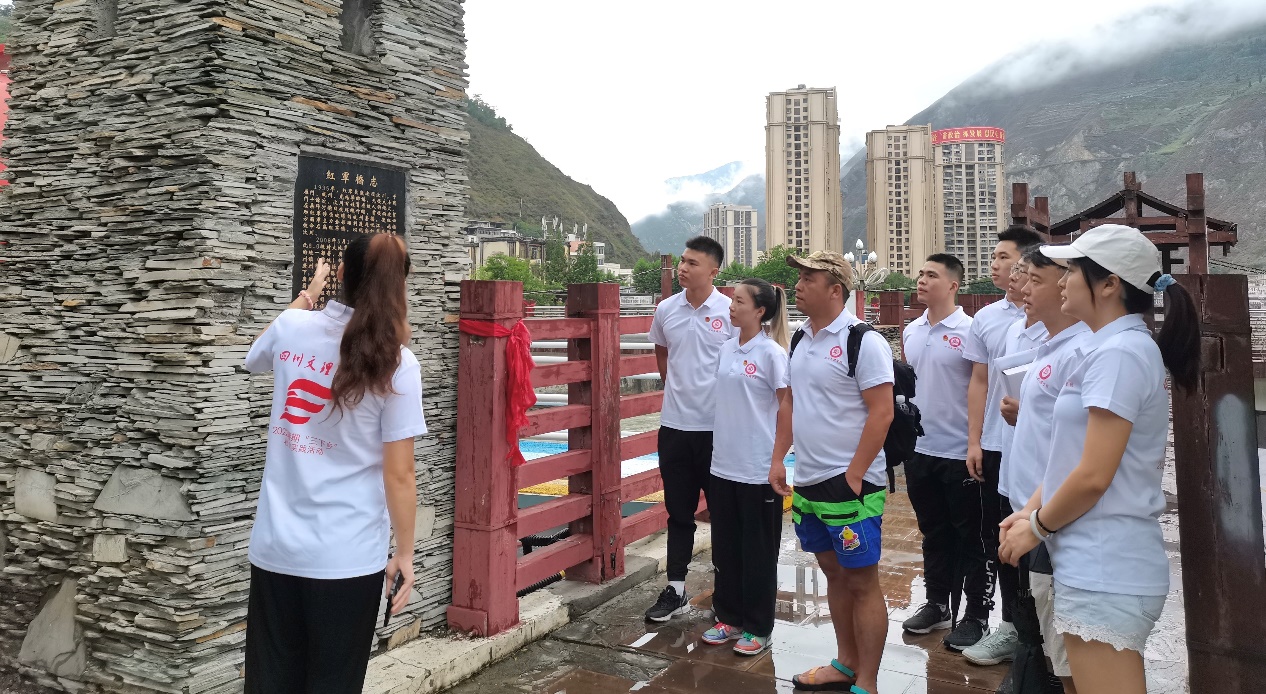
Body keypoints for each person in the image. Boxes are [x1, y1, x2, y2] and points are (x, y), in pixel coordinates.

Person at [1000, 224, 1200, 694]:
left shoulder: (1121, 353)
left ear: (1109, 284)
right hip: (1090, 561)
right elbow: (1072, 458)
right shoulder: (1105, 348)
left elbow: (1093, 475)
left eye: (1072, 270)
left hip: (1107, 563)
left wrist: (1037, 526)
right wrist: (1030, 508)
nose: (1063, 280)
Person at [242, 234, 426, 693]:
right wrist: (404, 554)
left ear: (341, 273)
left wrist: (307, 296)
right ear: (399, 286)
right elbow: (399, 475)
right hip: (347, 558)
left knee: (269, 682)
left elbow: (252, 357)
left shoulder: (292, 327)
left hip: (276, 548)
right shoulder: (396, 363)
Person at [771, 251, 894, 694]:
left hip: (850, 484)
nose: (798, 285)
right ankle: (845, 663)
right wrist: (779, 458)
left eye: (809, 278)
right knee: (834, 573)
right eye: (799, 277)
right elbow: (790, 402)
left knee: (862, 580)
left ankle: (869, 680)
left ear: (835, 290)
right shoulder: (801, 337)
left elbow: (881, 412)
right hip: (809, 479)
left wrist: (855, 474)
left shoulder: (864, 341)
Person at [996, 244, 1091, 693]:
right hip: (1033, 508)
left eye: (1036, 280)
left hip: (1057, 516)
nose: (1024, 289)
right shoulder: (1051, 347)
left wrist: (1038, 518)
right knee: (1045, 633)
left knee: (1071, 654)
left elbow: (1085, 455)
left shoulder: (1084, 350)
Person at [898, 254, 992, 651]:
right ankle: (937, 604)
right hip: (920, 450)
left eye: (931, 275)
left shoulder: (972, 331)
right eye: (920, 274)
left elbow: (983, 388)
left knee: (972, 537)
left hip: (961, 452)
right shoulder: (912, 330)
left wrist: (976, 442)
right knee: (933, 532)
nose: (921, 280)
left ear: (953, 285)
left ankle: (976, 615)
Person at [645, 235, 737, 621]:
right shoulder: (666, 309)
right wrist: (676, 388)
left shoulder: (731, 311)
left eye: (692, 263)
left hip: (719, 430)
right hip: (675, 427)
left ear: (713, 271)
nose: (682, 268)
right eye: (682, 261)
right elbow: (662, 351)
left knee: (724, 514)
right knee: (678, 512)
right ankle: (676, 589)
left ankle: (728, 593)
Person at [962, 255, 1048, 670]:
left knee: (1043, 562)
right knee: (1007, 547)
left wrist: (1026, 410)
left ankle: (1039, 647)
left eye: (1029, 277)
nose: (1020, 285)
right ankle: (1017, 632)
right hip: (1012, 458)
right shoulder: (1012, 328)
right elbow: (987, 384)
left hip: (1047, 474)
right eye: (1019, 276)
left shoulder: (1070, 337)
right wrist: (977, 440)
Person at [701, 278, 791, 657]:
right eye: (731, 300)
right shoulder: (726, 349)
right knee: (726, 548)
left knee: (758, 551)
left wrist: (778, 460)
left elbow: (787, 407)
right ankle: (729, 617)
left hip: (757, 469)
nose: (731, 306)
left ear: (760, 311)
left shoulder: (772, 354)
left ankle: (758, 626)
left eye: (738, 301)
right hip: (723, 465)